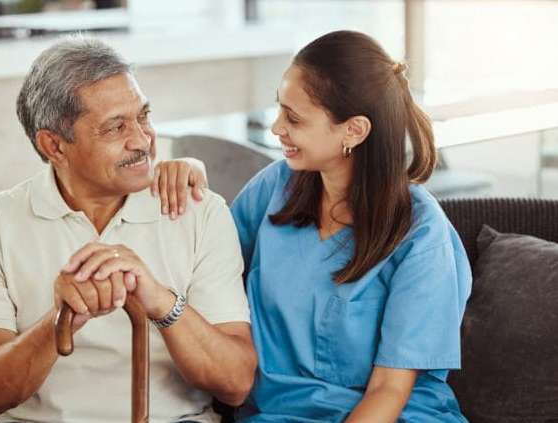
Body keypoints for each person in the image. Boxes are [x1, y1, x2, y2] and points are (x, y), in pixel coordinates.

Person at [154, 30, 472, 422]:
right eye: (279, 110)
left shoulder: (420, 233)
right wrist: (194, 178)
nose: (275, 128)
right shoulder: (273, 189)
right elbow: (206, 266)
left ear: (353, 131)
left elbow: (388, 391)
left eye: (294, 118)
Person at [0, 35, 257, 423]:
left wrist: (161, 301)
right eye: (115, 128)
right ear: (54, 147)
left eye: (143, 116)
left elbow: (236, 383)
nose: (142, 139)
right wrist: (62, 321)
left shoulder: (201, 212)